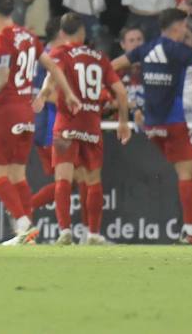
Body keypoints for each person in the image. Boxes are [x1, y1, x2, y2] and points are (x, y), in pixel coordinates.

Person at [0, 0, 79, 246]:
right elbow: (54, 66)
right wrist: (66, 94)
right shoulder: (29, 37)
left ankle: (23, 225)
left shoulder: (1, 40)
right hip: (27, 111)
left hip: (6, 110)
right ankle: (27, 234)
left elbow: (1, 79)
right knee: (17, 175)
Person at [37, 13, 131, 245]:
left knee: (63, 179)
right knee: (93, 181)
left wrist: (42, 95)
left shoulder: (59, 53)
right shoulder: (99, 58)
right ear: (82, 33)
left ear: (61, 33)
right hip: (91, 125)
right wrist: (122, 121)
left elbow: (50, 81)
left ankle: (65, 231)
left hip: (67, 123)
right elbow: (121, 92)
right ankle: (94, 234)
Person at [111, 8, 192, 243]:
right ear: (176, 27)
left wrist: (130, 105)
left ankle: (191, 222)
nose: (186, 29)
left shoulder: (146, 48)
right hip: (173, 122)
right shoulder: (180, 51)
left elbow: (111, 67)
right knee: (187, 172)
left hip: (151, 126)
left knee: (183, 169)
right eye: (184, 25)